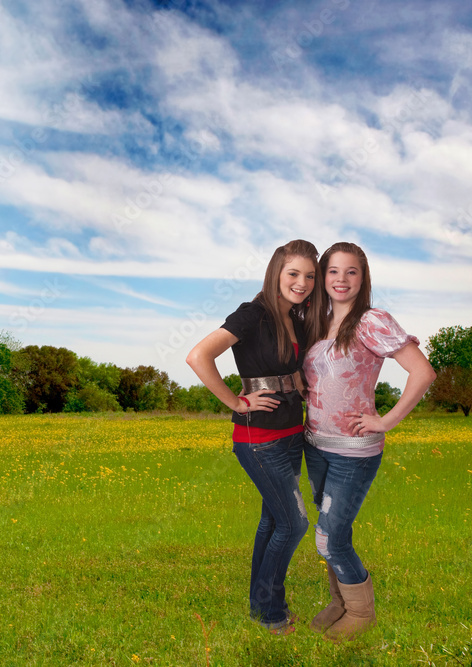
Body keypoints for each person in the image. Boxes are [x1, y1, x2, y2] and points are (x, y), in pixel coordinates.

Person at [186, 239, 323, 635]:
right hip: (258, 439)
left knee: (273, 521)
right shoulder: (252, 314)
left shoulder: (297, 318)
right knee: (294, 523)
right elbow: (198, 356)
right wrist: (238, 402)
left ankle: (261, 608)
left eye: (309, 276)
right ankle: (271, 614)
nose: (302, 282)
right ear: (276, 273)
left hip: (292, 434)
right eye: (293, 274)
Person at [302, 241, 436, 641]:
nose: (341, 280)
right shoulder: (315, 322)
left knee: (328, 536)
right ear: (323, 276)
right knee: (333, 531)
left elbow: (423, 372)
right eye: (333, 271)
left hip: (352, 452)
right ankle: (340, 603)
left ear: (363, 278)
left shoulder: (371, 321)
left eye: (351, 272)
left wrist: (386, 421)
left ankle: (361, 613)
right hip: (316, 446)